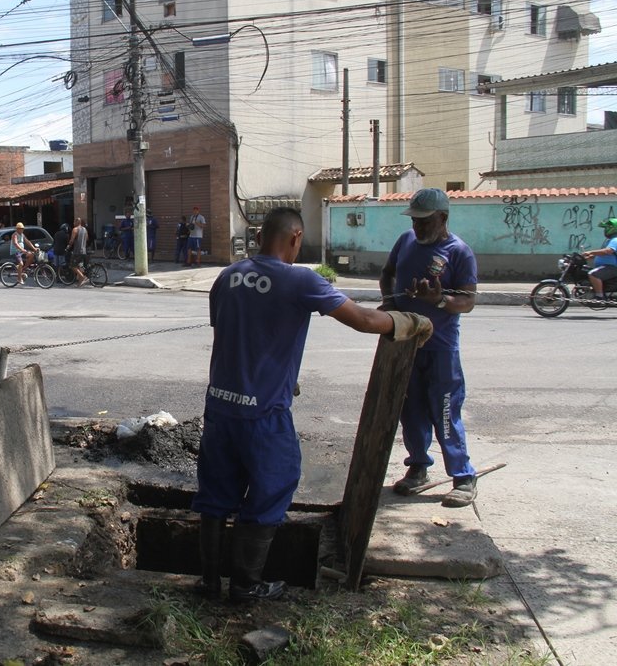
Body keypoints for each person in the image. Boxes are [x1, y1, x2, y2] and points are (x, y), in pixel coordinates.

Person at [192, 207, 432, 603]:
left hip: (219, 408)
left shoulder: (226, 277)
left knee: (216, 495)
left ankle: (209, 583)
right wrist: (411, 322)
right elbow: (364, 320)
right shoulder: (300, 279)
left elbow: (234, 336)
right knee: (272, 488)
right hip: (263, 414)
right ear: (296, 238)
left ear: (258, 238)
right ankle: (245, 586)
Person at [380, 188, 479, 508]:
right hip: (406, 345)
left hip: (440, 349)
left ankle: (463, 476)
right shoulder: (405, 241)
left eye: (425, 222)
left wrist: (438, 299)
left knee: (445, 411)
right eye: (415, 221)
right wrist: (389, 303)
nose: (418, 228)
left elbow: (468, 301)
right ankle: (418, 467)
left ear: (443, 218)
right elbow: (387, 273)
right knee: (410, 411)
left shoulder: (459, 252)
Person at [584, 218, 617, 300]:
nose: (604, 230)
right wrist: (592, 256)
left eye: (606, 228)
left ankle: (599, 296)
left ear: (613, 228)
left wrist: (591, 252)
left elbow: (608, 251)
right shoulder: (610, 240)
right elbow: (605, 254)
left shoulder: (615, 240)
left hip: (612, 267)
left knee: (593, 274)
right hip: (607, 266)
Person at [67, 217, 89, 287]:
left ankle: (83, 277)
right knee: (79, 267)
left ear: (77, 222)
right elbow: (87, 238)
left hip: (77, 251)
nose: (73, 223)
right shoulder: (85, 229)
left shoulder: (75, 229)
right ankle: (79, 284)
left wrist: (68, 246)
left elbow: (72, 240)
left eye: (74, 222)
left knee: (72, 265)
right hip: (84, 251)